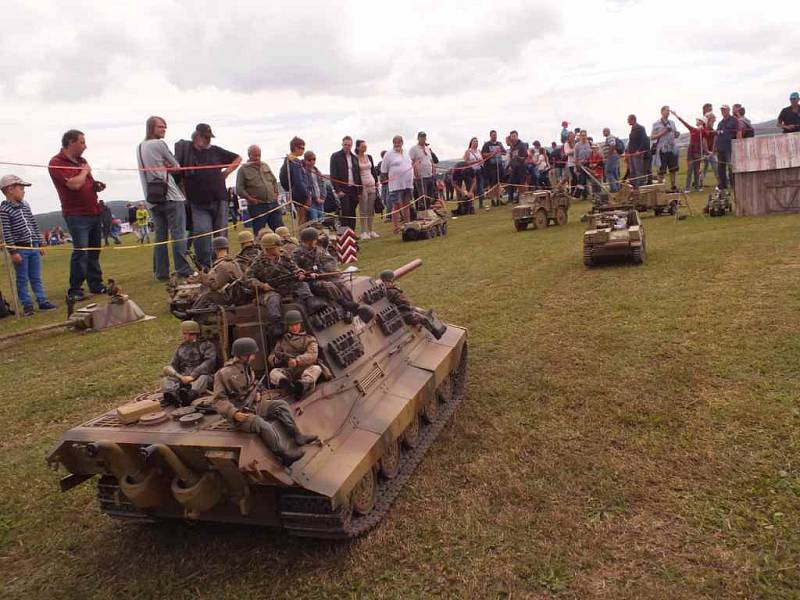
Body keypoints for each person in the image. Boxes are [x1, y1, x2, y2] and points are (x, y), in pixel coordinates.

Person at [212, 337, 317, 466]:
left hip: (254, 406)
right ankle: (283, 454)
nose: (254, 357)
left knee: (281, 405)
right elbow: (218, 400)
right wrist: (234, 413)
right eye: (252, 354)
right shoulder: (223, 374)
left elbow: (250, 385)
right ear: (244, 355)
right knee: (261, 424)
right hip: (240, 414)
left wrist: (257, 394)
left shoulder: (247, 367)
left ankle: (297, 436)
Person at [48, 129, 106, 301]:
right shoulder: (56, 162)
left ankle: (95, 284)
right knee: (81, 251)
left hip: (93, 211)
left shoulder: (82, 161)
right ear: (71, 142)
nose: (85, 146)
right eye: (82, 142)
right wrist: (84, 172)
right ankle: (75, 289)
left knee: (94, 251)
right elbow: (73, 185)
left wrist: (95, 185)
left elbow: (85, 182)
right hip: (76, 214)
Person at [175, 123, 241, 269]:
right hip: (197, 203)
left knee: (221, 233)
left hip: (220, 199)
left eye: (209, 137)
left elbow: (238, 158)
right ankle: (205, 266)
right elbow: (176, 171)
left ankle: (224, 263)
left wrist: (227, 172)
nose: (208, 140)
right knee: (202, 233)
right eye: (205, 137)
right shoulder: (185, 152)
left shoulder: (216, 151)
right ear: (196, 136)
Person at [137, 116, 192, 281]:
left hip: (152, 198)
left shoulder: (139, 147)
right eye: (160, 127)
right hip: (170, 196)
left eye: (164, 127)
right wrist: (168, 166)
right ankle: (182, 269)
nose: (163, 130)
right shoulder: (159, 144)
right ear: (151, 128)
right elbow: (176, 166)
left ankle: (161, 273)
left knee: (160, 237)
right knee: (178, 233)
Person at [246, 233, 326, 337]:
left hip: (287, 285)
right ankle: (276, 324)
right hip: (270, 290)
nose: (280, 248)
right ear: (268, 249)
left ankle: (311, 305)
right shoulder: (257, 262)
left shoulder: (284, 256)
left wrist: (300, 273)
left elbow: (294, 268)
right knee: (273, 299)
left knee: (302, 285)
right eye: (277, 247)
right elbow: (247, 278)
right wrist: (262, 285)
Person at [0, 175, 57, 316]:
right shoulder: (4, 210)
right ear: (10, 190)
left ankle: (42, 301)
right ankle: (27, 305)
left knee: (36, 277)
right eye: (21, 188)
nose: (24, 191)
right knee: (22, 278)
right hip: (20, 249)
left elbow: (33, 224)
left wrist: (40, 243)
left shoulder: (25, 205)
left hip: (33, 247)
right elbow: (6, 233)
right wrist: (13, 252)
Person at [293, 227, 375, 323]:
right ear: (309, 241)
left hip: (324, 275)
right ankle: (345, 305)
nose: (316, 242)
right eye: (314, 240)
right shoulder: (297, 254)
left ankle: (350, 306)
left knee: (341, 284)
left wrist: (323, 271)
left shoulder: (319, 250)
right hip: (310, 281)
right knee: (328, 286)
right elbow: (294, 268)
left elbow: (330, 261)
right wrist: (306, 273)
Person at [268, 310, 328, 399]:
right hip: (289, 370)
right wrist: (279, 360)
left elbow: (312, 355)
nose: (294, 327)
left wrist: (297, 361)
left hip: (305, 368)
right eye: (291, 325)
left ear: (300, 324)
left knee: (316, 369)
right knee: (273, 373)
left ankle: (303, 385)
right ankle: (287, 385)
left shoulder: (309, 339)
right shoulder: (282, 341)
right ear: (287, 326)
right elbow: (272, 356)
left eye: (296, 324)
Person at [162, 320, 217, 406]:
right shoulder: (181, 347)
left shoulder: (207, 345)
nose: (185, 336)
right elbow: (173, 364)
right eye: (184, 334)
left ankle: (190, 395)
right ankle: (172, 395)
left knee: (204, 378)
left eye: (189, 334)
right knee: (166, 380)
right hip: (183, 376)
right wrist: (179, 376)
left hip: (200, 375)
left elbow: (209, 363)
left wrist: (192, 376)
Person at [379, 270, 446, 339]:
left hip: (404, 309)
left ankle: (436, 323)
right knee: (423, 319)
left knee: (422, 311)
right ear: (391, 279)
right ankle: (437, 333)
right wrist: (410, 309)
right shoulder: (390, 291)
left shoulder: (389, 289)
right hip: (403, 314)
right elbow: (399, 304)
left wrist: (412, 308)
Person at [236, 144, 284, 235]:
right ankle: (259, 249)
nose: (258, 158)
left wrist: (276, 193)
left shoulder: (265, 165)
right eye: (255, 155)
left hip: (273, 203)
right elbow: (239, 189)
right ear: (249, 155)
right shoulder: (243, 170)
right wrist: (250, 199)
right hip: (257, 206)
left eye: (259, 155)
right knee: (259, 233)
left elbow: (273, 181)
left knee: (280, 230)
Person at [381, 135, 414, 233]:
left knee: (406, 204)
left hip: (407, 184)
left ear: (402, 143)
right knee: (396, 206)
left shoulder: (406, 153)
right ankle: (396, 227)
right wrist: (385, 180)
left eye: (398, 142)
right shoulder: (388, 154)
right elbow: (383, 170)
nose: (397, 144)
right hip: (395, 186)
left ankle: (408, 225)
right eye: (395, 143)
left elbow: (409, 164)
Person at [329, 136, 361, 230]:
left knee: (352, 212)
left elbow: (357, 175)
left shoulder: (354, 158)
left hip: (354, 189)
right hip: (343, 189)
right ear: (342, 144)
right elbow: (333, 175)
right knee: (345, 212)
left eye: (349, 145)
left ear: (351, 146)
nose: (347, 146)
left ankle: (352, 234)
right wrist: (338, 190)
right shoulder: (335, 156)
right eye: (345, 144)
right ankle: (344, 235)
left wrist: (359, 191)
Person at [671, 110, 706, 192]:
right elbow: (684, 122)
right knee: (690, 170)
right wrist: (676, 115)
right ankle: (687, 188)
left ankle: (697, 187)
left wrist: (702, 129)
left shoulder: (703, 131)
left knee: (697, 171)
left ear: (702, 122)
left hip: (698, 152)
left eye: (698, 120)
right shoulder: (693, 129)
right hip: (690, 152)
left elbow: (706, 136)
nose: (696, 121)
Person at [280, 137, 310, 225]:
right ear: (296, 148)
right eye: (302, 148)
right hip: (300, 196)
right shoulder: (294, 162)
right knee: (303, 221)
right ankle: (303, 238)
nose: (303, 150)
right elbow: (299, 182)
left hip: (296, 194)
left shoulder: (289, 160)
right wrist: (306, 197)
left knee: (303, 220)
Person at [651, 106, 681, 191]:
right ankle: (660, 188)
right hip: (662, 149)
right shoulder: (656, 124)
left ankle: (673, 186)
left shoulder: (672, 123)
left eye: (669, 111)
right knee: (661, 170)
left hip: (672, 149)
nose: (668, 112)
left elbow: (675, 134)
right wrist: (662, 133)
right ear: (662, 112)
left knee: (673, 169)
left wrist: (676, 134)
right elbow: (652, 137)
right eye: (667, 110)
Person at [354, 140, 378, 239]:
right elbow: (355, 173)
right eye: (363, 146)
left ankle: (371, 230)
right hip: (362, 186)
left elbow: (373, 171)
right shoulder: (355, 158)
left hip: (371, 184)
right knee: (363, 209)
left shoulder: (369, 157)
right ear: (358, 147)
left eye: (365, 146)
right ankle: (364, 231)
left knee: (370, 209)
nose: (365, 147)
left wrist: (376, 181)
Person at [408, 132, 438, 210]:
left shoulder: (427, 148)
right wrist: (415, 172)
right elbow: (412, 161)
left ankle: (428, 210)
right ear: (418, 138)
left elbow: (430, 160)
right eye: (421, 137)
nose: (423, 139)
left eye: (424, 137)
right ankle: (422, 211)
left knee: (430, 194)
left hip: (429, 174)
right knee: (422, 195)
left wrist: (433, 169)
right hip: (420, 176)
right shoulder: (414, 149)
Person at [714, 104, 739, 190]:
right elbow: (716, 135)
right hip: (720, 147)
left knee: (730, 166)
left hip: (730, 147)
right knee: (721, 167)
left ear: (728, 110)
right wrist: (715, 147)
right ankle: (723, 184)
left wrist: (738, 144)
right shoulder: (720, 123)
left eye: (724, 110)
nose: (723, 111)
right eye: (721, 110)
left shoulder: (734, 120)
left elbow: (738, 132)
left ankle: (733, 184)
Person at [481, 130, 507, 206]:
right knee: (492, 184)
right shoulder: (486, 145)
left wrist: (499, 152)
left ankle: (499, 199)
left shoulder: (499, 144)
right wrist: (492, 153)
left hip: (498, 165)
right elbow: (483, 154)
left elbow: (504, 152)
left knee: (498, 183)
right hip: (490, 167)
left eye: (495, 135)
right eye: (493, 135)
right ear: (490, 136)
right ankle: (493, 200)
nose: (494, 136)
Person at [506, 131, 528, 204]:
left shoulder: (522, 145)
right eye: (512, 136)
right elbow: (512, 158)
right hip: (514, 167)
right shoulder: (512, 146)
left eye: (514, 136)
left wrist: (518, 157)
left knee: (521, 183)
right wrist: (509, 166)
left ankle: (521, 198)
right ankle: (511, 198)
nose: (513, 137)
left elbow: (525, 157)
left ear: (517, 136)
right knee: (511, 182)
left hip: (521, 167)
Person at [626, 115, 648, 189]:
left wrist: (639, 150)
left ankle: (640, 187)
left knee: (638, 170)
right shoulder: (633, 128)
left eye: (628, 120)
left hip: (637, 153)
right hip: (631, 153)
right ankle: (634, 186)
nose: (627, 121)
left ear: (633, 120)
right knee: (632, 171)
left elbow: (644, 140)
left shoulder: (640, 128)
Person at [464, 137, 484, 205]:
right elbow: (466, 162)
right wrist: (476, 161)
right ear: (471, 143)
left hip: (479, 170)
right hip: (471, 171)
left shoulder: (479, 151)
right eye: (474, 141)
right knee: (473, 188)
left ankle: (481, 204)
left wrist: (481, 162)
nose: (476, 143)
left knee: (481, 187)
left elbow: (481, 160)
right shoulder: (468, 151)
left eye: (477, 141)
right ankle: (470, 203)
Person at [573, 131, 592, 199]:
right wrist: (576, 166)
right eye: (582, 135)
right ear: (580, 136)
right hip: (581, 165)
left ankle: (595, 194)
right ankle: (579, 195)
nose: (583, 137)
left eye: (585, 135)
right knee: (582, 180)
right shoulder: (577, 145)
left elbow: (592, 153)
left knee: (591, 179)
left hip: (589, 164)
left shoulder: (589, 143)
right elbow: (575, 156)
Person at [601, 128, 621, 192]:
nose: (603, 133)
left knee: (608, 172)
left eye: (604, 131)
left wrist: (609, 155)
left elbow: (612, 145)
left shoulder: (610, 137)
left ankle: (613, 188)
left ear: (607, 131)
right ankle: (618, 187)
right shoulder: (609, 137)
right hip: (613, 156)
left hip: (611, 157)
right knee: (614, 172)